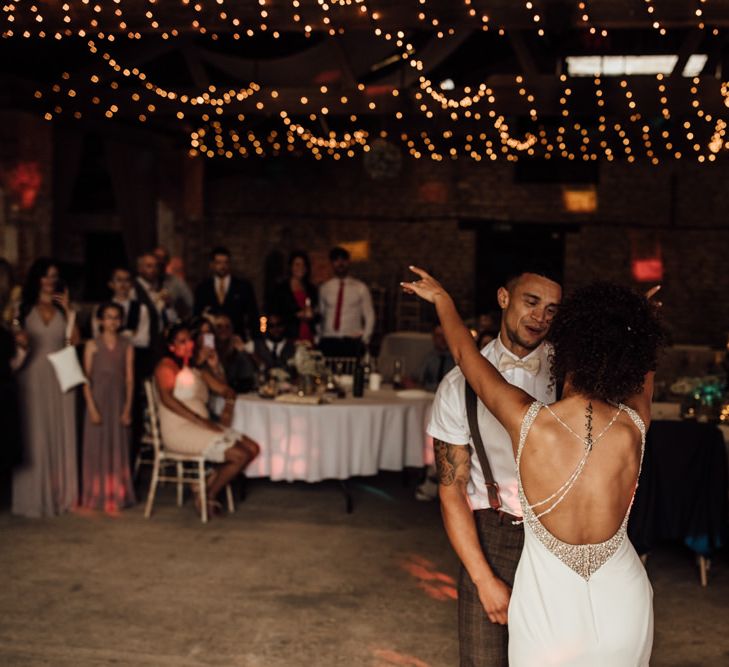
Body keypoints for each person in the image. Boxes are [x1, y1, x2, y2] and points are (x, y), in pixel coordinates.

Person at [405, 268, 665, 666]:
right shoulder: (635, 423)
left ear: (568, 350)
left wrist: (444, 301)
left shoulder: (530, 422)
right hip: (624, 599)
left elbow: (465, 355)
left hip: (547, 601)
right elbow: (644, 374)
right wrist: (638, 322)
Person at [421, 268, 560, 640]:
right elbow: (451, 491)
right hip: (493, 538)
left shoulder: (571, 377)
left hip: (562, 537)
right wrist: (484, 579)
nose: (540, 317)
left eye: (551, 310)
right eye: (531, 302)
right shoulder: (457, 386)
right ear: (503, 298)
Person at [154, 323, 260, 516]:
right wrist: (200, 421)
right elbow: (167, 399)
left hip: (202, 427)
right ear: (171, 346)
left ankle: (207, 483)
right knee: (240, 455)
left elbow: (227, 390)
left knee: (252, 449)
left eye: (190, 340)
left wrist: (227, 407)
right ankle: (209, 494)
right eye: (182, 341)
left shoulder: (197, 369)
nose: (189, 345)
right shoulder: (166, 366)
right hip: (180, 429)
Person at [13, 258, 80, 518]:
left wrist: (70, 311)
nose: (50, 280)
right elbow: (15, 339)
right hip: (31, 373)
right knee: (35, 433)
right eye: (46, 275)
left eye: (54, 276)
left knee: (60, 429)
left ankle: (61, 494)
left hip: (61, 372)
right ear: (37, 278)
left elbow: (73, 342)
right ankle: (33, 498)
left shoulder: (64, 310)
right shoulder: (22, 307)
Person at [81, 302, 136, 512]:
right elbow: (85, 379)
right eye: (108, 317)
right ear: (100, 321)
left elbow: (130, 379)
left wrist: (128, 408)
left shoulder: (126, 345)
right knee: (96, 445)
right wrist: (92, 408)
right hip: (98, 401)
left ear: (120, 321)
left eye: (116, 317)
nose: (112, 322)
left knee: (118, 445)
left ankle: (118, 493)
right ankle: (96, 494)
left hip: (119, 400)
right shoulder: (92, 345)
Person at [318, 246, 375, 358]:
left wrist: (365, 339)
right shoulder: (324, 288)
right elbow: (321, 315)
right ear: (332, 263)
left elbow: (370, 315)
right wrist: (319, 337)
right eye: (336, 260)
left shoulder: (360, 287)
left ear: (348, 262)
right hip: (329, 340)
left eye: (343, 259)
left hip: (352, 341)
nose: (340, 263)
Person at [194, 246, 259, 340]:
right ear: (212, 264)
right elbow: (197, 315)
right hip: (210, 339)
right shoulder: (203, 288)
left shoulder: (243, 287)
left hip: (236, 337)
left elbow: (253, 315)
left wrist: (255, 341)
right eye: (219, 263)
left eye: (226, 262)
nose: (223, 266)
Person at [268, 250, 318, 344]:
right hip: (289, 335)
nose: (301, 268)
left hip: (308, 334)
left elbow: (317, 312)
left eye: (303, 265)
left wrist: (313, 314)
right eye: (297, 265)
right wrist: (296, 315)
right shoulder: (281, 289)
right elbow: (275, 313)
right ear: (291, 267)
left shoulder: (311, 289)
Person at [214, 314, 257, 393]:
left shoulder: (237, 351)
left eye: (227, 326)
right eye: (219, 326)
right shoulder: (209, 351)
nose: (224, 329)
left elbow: (249, 375)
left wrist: (242, 351)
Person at [153, 246, 194, 320]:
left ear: (168, 261)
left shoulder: (176, 282)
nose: (160, 261)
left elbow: (191, 304)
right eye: (157, 257)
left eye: (163, 258)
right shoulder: (145, 283)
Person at [417, 325, 456, 392]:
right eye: (439, 336)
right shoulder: (429, 357)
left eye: (445, 336)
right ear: (434, 338)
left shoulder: (456, 360)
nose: (443, 339)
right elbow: (417, 378)